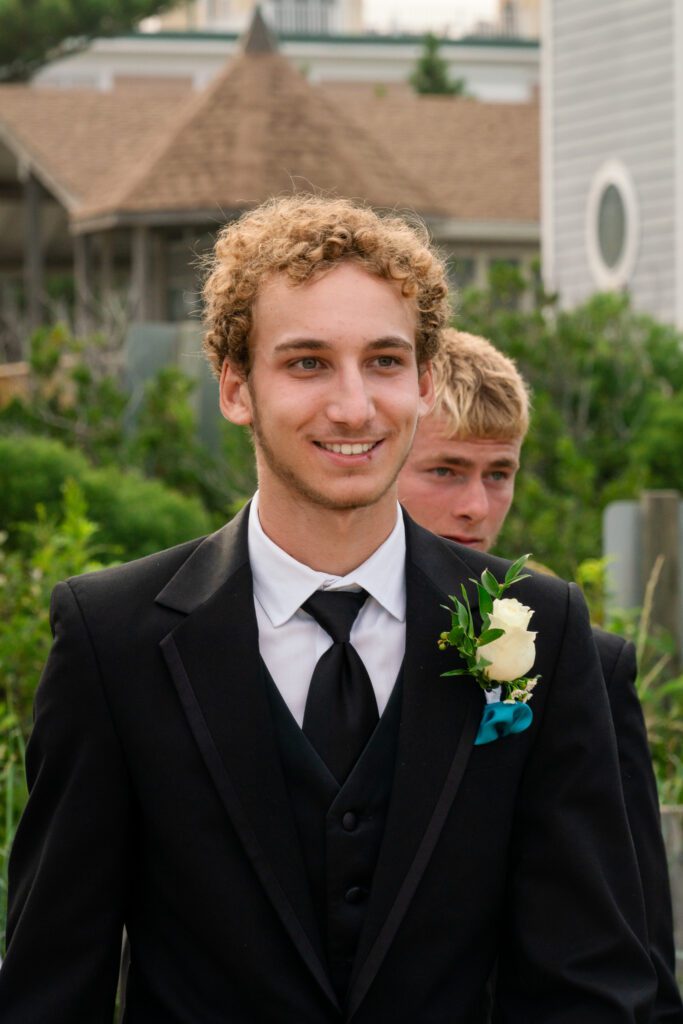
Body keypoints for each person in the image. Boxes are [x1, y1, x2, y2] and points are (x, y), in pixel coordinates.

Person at [0, 196, 656, 1022]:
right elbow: (53, 984)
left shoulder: (534, 628)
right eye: (307, 363)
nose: (353, 407)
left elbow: (589, 977)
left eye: (383, 362)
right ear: (236, 386)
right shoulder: (113, 637)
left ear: (421, 382)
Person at [398, 327, 683, 1022]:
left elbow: (632, 934)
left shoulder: (572, 655)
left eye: (498, 474)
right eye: (445, 470)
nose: (476, 506)